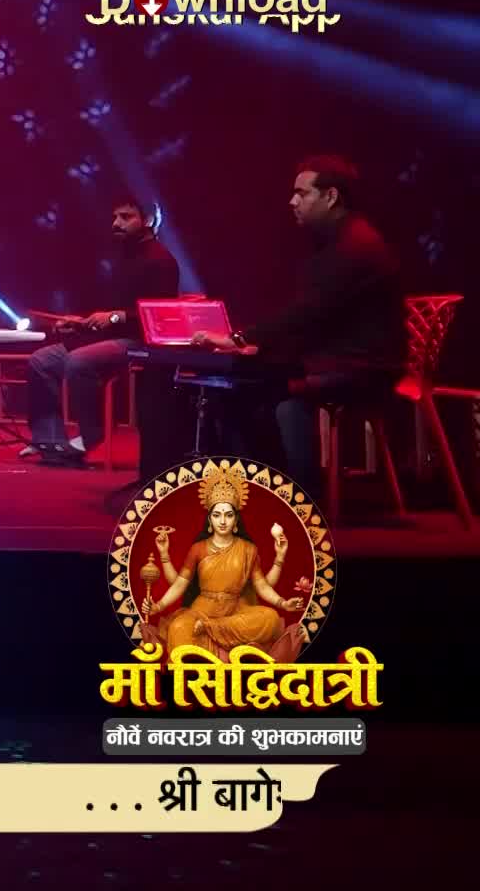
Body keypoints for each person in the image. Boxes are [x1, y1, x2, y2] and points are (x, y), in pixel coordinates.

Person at [192, 156, 406, 490]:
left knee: (242, 385)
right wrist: (257, 343)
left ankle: (286, 494)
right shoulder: (342, 239)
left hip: (362, 367)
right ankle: (272, 488)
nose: (292, 201)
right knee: (246, 381)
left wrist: (238, 339)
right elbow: (314, 315)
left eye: (301, 193)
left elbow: (309, 313)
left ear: (331, 196)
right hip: (342, 357)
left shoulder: (354, 246)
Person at [23, 195, 179, 466]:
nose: (116, 223)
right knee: (41, 361)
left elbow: (160, 315)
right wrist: (81, 321)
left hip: (140, 341)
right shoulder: (123, 257)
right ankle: (49, 441)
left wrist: (117, 318)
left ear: (148, 220)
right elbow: (112, 310)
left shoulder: (161, 260)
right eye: (115, 217)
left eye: (125, 217)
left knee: (78, 360)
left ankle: (90, 435)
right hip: (113, 336)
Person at [140, 465, 305, 660]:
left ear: (236, 521)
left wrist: (283, 603)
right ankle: (200, 650)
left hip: (236, 611)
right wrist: (157, 607)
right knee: (178, 627)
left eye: (229, 515)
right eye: (217, 515)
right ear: (210, 520)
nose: (223, 521)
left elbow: (261, 585)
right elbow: (180, 584)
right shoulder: (198, 549)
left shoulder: (248, 549)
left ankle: (211, 629)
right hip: (202, 609)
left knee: (269, 619)